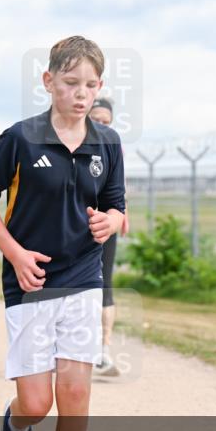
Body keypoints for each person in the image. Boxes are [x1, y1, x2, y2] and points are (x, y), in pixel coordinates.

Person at [0, 36, 126, 431]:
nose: (81, 94)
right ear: (49, 81)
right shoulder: (20, 138)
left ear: (99, 87)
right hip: (30, 280)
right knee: (36, 405)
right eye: (70, 82)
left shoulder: (108, 142)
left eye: (90, 85)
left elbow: (118, 203)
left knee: (76, 394)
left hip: (83, 276)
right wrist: (14, 254)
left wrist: (112, 222)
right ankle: (13, 430)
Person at [87, 97, 129, 377]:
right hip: (73, 223)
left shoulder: (113, 145)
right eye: (97, 119)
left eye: (106, 121)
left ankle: (103, 351)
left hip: (105, 224)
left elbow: (118, 187)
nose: (102, 125)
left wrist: (122, 214)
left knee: (105, 283)